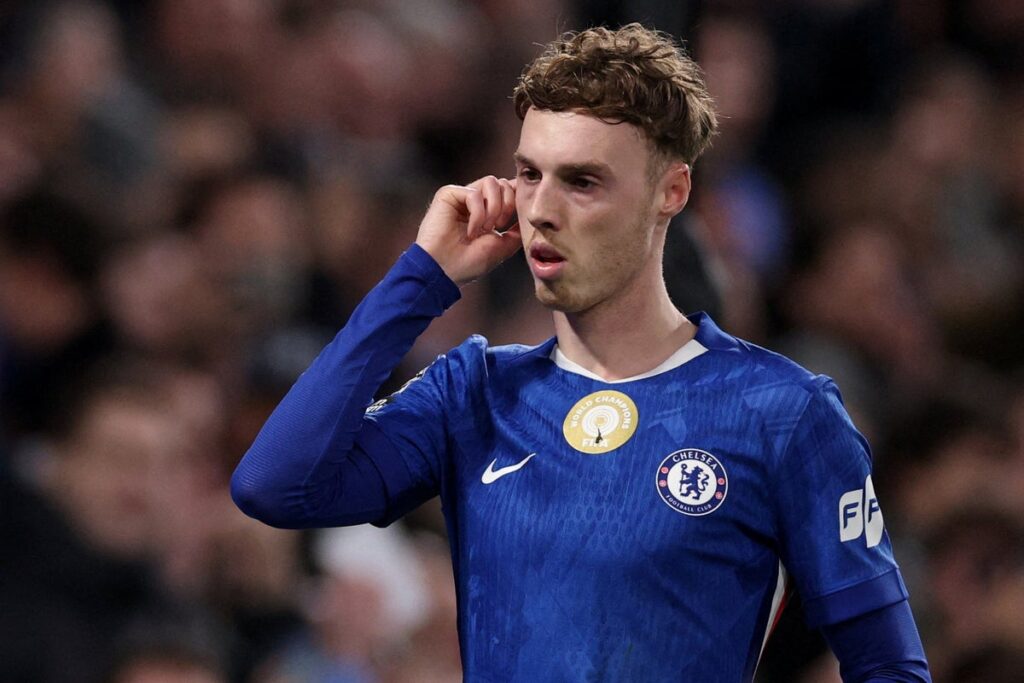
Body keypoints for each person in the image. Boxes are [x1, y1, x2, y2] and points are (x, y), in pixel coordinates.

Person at [232, 24, 931, 682]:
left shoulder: (782, 412)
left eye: (583, 181)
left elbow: (890, 666)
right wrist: (420, 278)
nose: (541, 209)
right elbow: (275, 484)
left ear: (671, 191)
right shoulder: (472, 391)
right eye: (529, 174)